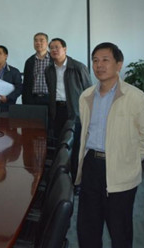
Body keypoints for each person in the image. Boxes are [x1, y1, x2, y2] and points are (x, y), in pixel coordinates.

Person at [76, 42, 144, 248]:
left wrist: (128, 159)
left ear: (119, 64)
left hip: (121, 170)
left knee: (120, 231)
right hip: (91, 166)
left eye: (105, 60)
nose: (99, 65)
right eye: (95, 60)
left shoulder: (135, 97)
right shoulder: (86, 96)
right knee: (88, 229)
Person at [45, 38, 91, 184]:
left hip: (75, 112)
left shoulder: (78, 67)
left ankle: (77, 181)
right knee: (60, 147)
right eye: (51, 48)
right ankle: (61, 180)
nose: (54, 50)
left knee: (75, 148)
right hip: (57, 111)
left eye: (57, 47)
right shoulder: (49, 69)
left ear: (65, 49)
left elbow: (89, 92)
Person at [22, 32, 51, 105]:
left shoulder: (54, 60)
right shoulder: (29, 61)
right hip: (33, 99)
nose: (38, 43)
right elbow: (26, 83)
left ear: (47, 43)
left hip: (50, 99)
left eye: (41, 40)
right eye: (35, 40)